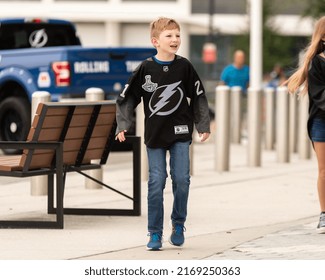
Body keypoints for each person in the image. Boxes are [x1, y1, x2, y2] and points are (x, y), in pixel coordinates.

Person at [115, 17, 211, 250]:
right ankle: (154, 233)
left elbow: (198, 95)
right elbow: (127, 98)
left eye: (177, 35)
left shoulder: (185, 66)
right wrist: (123, 124)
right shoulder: (145, 69)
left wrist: (203, 124)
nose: (175, 39)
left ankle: (178, 224)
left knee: (181, 180)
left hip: (180, 132)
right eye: (169, 36)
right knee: (156, 182)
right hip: (155, 135)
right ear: (155, 41)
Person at [286, 16, 325, 233]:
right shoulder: (317, 62)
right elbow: (319, 95)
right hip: (321, 121)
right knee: (323, 171)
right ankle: (324, 214)